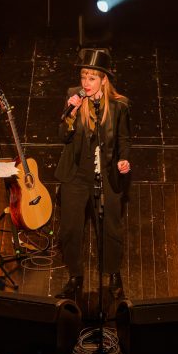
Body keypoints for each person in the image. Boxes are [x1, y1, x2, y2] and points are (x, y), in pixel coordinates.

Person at [54, 48, 132, 305]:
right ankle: (75, 276)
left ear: (103, 80)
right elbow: (62, 136)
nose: (85, 84)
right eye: (83, 77)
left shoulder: (119, 106)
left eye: (91, 78)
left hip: (105, 175)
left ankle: (113, 274)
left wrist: (123, 159)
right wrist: (71, 114)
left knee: (110, 229)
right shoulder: (72, 98)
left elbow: (123, 139)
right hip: (76, 175)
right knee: (70, 230)